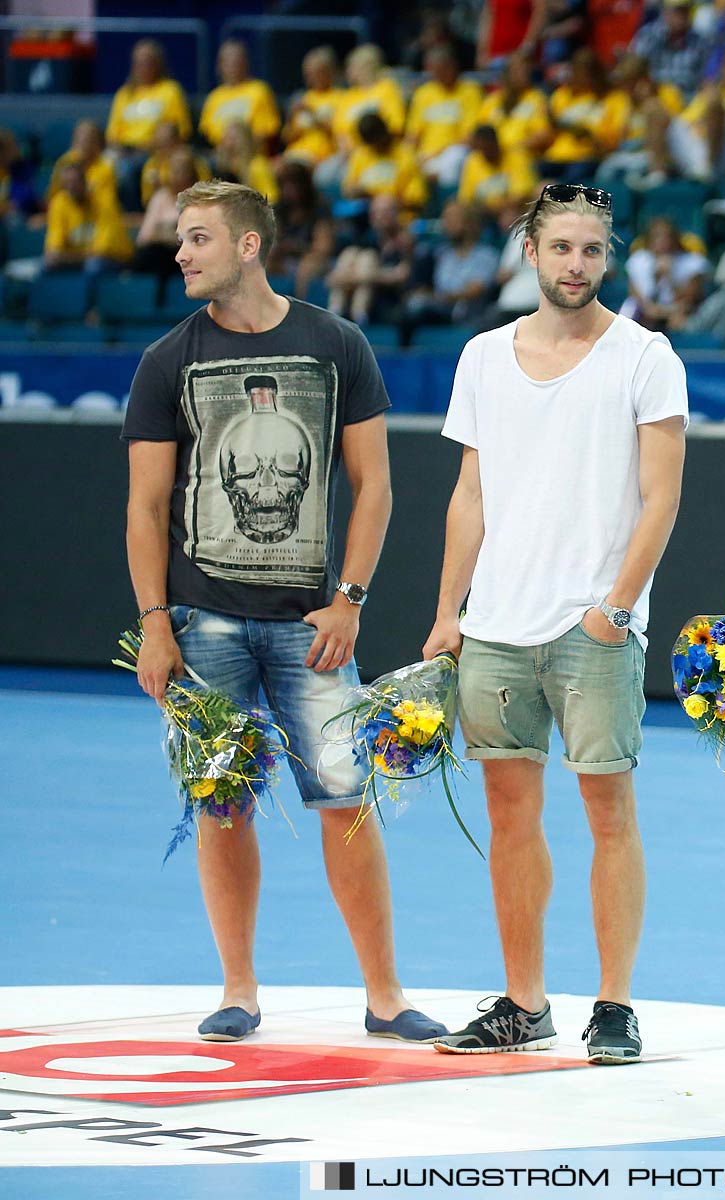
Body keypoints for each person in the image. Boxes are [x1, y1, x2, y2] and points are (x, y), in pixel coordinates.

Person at [121, 180, 446, 1046]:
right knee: (221, 802)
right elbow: (146, 507)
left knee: (347, 799)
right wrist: (155, 621)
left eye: (197, 239)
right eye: (181, 240)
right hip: (202, 625)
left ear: (249, 245)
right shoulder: (166, 360)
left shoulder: (335, 343)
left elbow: (375, 484)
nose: (181, 253)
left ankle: (384, 996)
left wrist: (350, 600)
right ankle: (238, 989)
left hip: (313, 626)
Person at [424, 183, 688, 1063]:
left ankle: (614, 1004)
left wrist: (615, 609)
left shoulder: (646, 357)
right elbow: (469, 493)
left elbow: (662, 499)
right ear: (530, 253)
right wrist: (446, 613)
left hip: (594, 629)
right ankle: (523, 1002)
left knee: (609, 811)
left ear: (606, 259)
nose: (578, 265)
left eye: (593, 251)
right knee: (510, 814)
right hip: (494, 625)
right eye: (562, 248)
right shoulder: (482, 357)